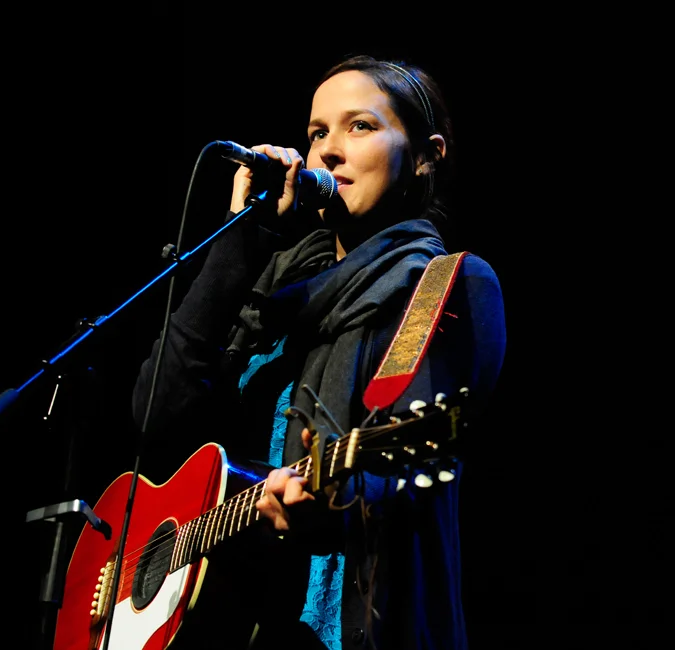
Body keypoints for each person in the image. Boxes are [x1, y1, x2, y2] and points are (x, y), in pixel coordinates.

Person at [131, 53, 507, 650]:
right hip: (228, 619)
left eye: (359, 126)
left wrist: (335, 501)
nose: (328, 151)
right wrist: (238, 242)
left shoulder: (439, 286)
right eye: (316, 133)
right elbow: (155, 413)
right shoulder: (272, 289)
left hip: (348, 624)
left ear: (427, 156)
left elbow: (406, 466)